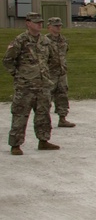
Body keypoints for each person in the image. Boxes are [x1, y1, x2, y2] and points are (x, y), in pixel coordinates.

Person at [4, 12, 59, 154]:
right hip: (25, 86)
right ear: (28, 23)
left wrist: (47, 76)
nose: (39, 24)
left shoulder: (46, 41)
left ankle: (43, 140)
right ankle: (15, 145)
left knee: (43, 114)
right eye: (36, 22)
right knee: (20, 114)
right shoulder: (20, 40)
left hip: (43, 85)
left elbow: (53, 61)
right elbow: (8, 60)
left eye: (41, 22)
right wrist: (18, 75)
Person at [43, 17, 75, 127]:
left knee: (62, 95)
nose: (58, 27)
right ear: (49, 27)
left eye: (60, 25)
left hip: (61, 72)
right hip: (49, 73)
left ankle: (62, 118)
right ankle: (44, 120)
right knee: (47, 97)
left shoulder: (63, 40)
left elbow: (65, 52)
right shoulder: (44, 41)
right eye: (56, 26)